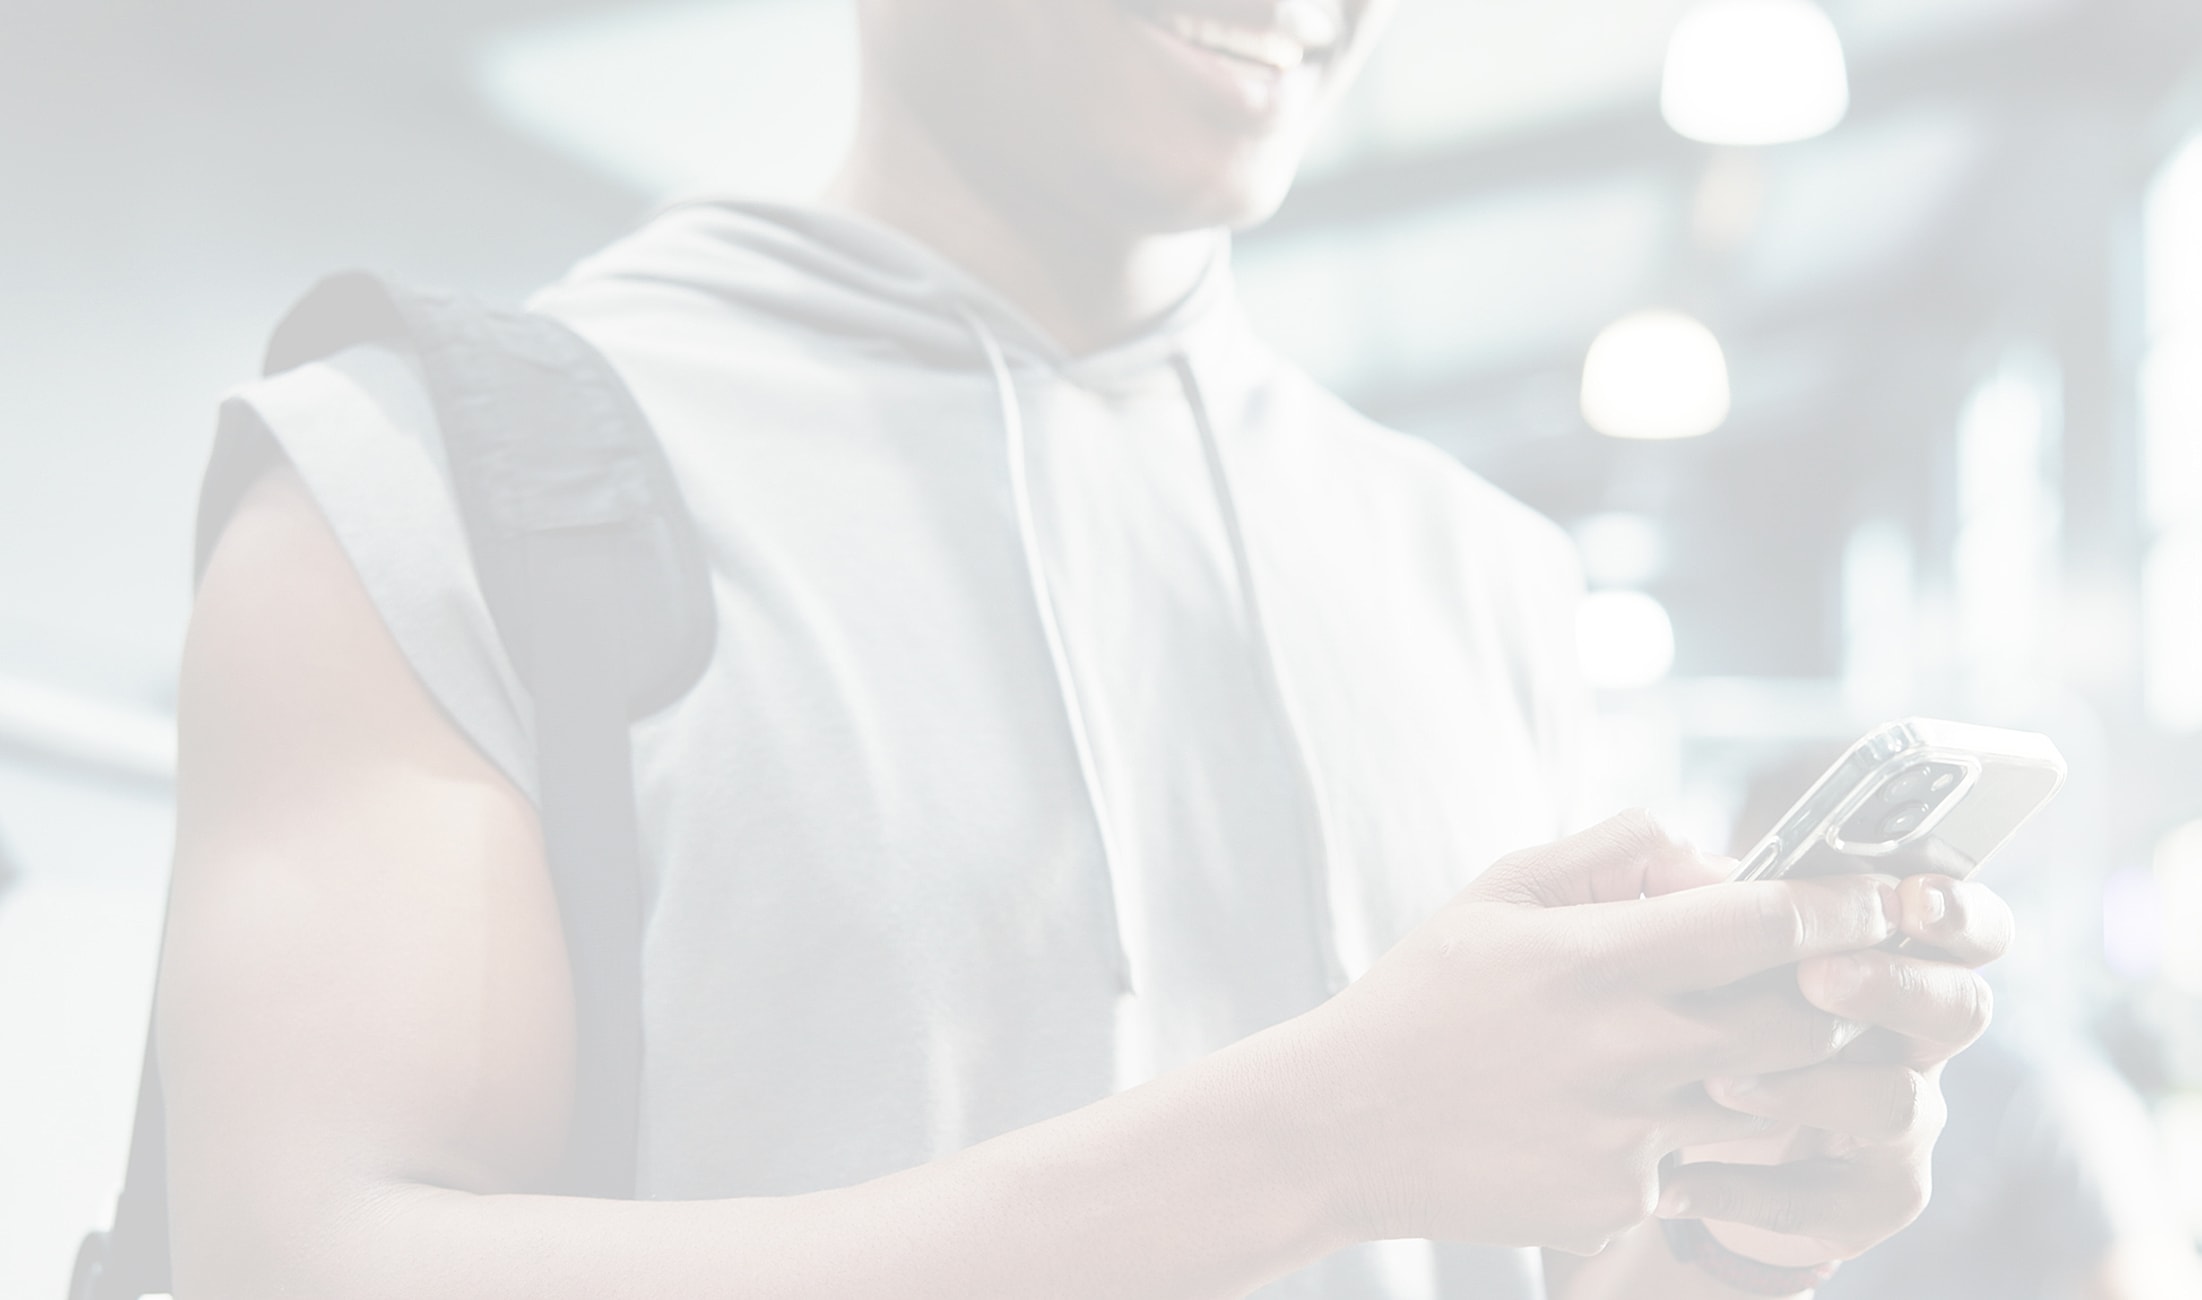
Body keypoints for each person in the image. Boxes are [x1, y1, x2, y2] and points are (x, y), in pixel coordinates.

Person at [158, 1, 2012, 1296]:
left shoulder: (1479, 569)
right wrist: (1319, 1139)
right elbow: (289, 1272)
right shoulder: (423, 477)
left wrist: (1728, 1230)